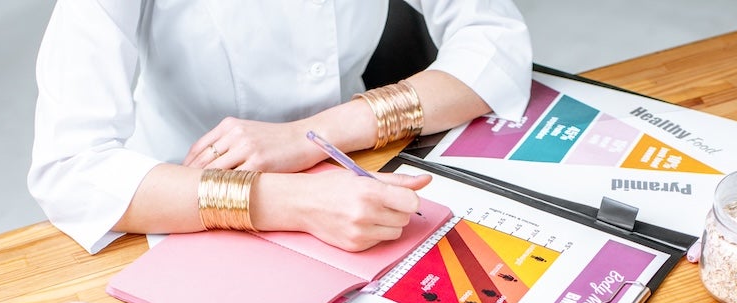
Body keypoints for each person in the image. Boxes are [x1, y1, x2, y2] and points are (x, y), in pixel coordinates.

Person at [28, 1, 533, 255]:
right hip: (177, 199)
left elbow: (496, 44)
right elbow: (69, 167)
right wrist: (294, 202)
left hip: (355, 173)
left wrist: (315, 133)